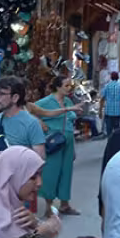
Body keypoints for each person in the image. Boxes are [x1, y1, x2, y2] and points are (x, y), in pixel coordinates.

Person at [35, 76, 79, 217]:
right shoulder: (46, 102)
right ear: (58, 87)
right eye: (66, 86)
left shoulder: (67, 101)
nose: (69, 88)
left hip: (68, 140)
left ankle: (64, 204)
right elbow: (29, 111)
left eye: (69, 86)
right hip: (53, 141)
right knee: (51, 172)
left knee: (66, 171)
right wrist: (39, 122)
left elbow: (71, 120)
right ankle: (49, 206)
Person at [0, 76, 47, 159]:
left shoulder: (31, 123)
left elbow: (39, 158)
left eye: (1, 94)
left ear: (15, 98)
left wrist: (12, 155)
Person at [100, 72, 120, 136]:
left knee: (109, 131)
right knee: (117, 130)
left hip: (108, 111)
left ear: (111, 77)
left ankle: (109, 143)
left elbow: (102, 99)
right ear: (118, 78)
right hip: (117, 112)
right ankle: (116, 144)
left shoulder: (107, 86)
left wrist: (100, 111)